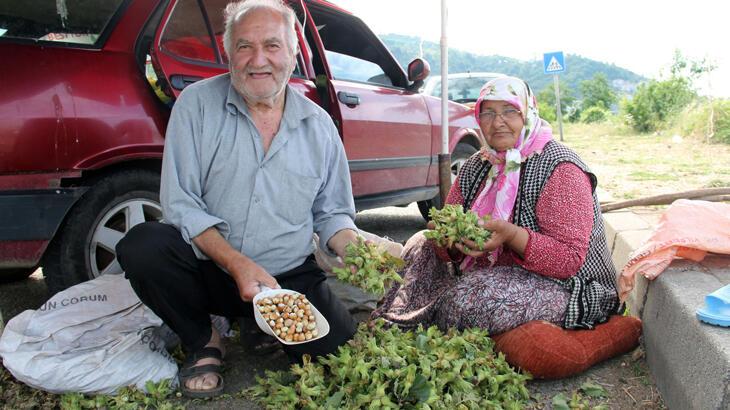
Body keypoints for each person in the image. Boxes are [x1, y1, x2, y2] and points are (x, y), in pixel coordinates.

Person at [116, 0, 359, 398]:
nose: (257, 59)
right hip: (211, 271)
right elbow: (180, 203)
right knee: (144, 246)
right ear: (228, 54)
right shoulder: (196, 105)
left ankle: (259, 324)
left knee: (339, 358)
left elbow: (331, 214)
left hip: (286, 280)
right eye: (244, 46)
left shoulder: (320, 128)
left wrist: (364, 250)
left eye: (272, 46)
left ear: (294, 52)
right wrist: (236, 262)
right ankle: (205, 339)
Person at [372, 76, 622, 336]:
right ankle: (394, 324)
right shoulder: (478, 165)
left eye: (510, 111)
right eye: (488, 113)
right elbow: (448, 238)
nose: (497, 122)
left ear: (528, 113)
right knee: (421, 241)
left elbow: (568, 261)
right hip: (486, 274)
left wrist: (511, 235)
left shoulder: (560, 168)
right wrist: (447, 238)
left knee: (467, 301)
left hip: (565, 285)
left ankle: (434, 317)